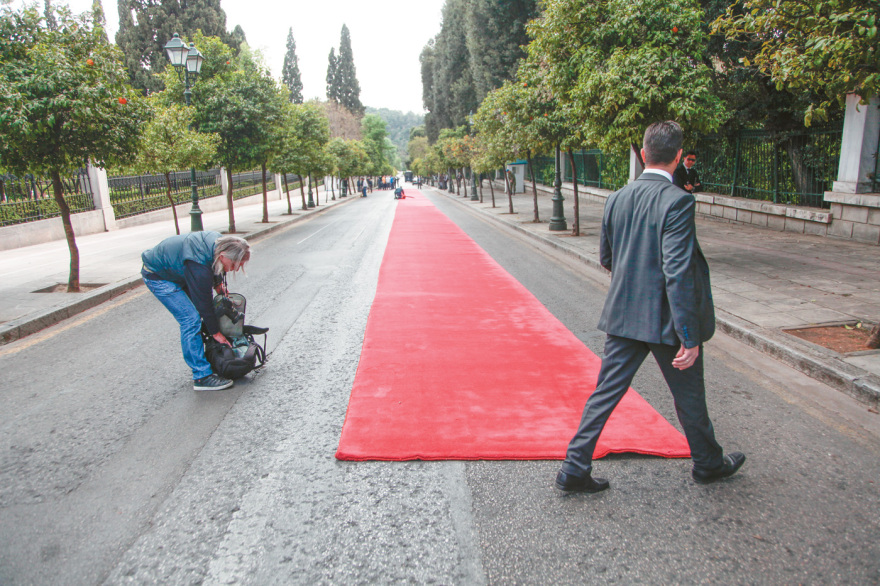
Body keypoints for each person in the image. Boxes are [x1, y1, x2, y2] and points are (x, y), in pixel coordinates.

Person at [555, 121, 744, 494]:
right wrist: (689, 336)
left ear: (642, 154)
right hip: (667, 321)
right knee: (689, 396)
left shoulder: (617, 198)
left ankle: (574, 467)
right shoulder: (678, 200)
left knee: (605, 393)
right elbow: (677, 271)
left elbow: (608, 258)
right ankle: (707, 463)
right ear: (677, 157)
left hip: (624, 315)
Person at [141, 232, 251, 392]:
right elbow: (204, 304)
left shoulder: (221, 242)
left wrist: (218, 284)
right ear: (223, 256)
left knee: (200, 317)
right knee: (191, 320)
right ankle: (202, 376)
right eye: (235, 264)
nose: (236, 268)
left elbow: (211, 263)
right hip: (159, 277)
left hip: (180, 270)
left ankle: (208, 359)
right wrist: (215, 333)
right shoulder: (198, 268)